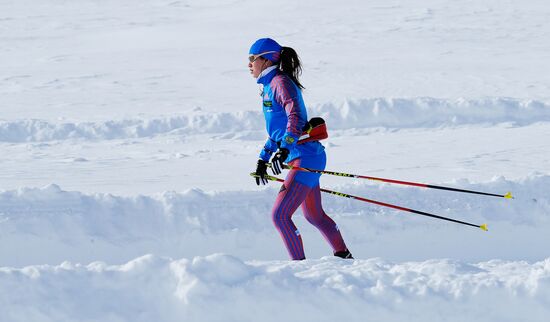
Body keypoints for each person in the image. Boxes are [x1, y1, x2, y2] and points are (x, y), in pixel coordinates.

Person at [248, 38, 353, 260]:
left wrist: (284, 149)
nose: (249, 64)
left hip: (304, 157)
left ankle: (299, 268)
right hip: (305, 156)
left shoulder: (279, 83)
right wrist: (263, 159)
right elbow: (276, 132)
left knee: (279, 215)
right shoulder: (269, 86)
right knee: (314, 215)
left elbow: (295, 117)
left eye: (252, 59)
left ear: (266, 60)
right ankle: (345, 258)